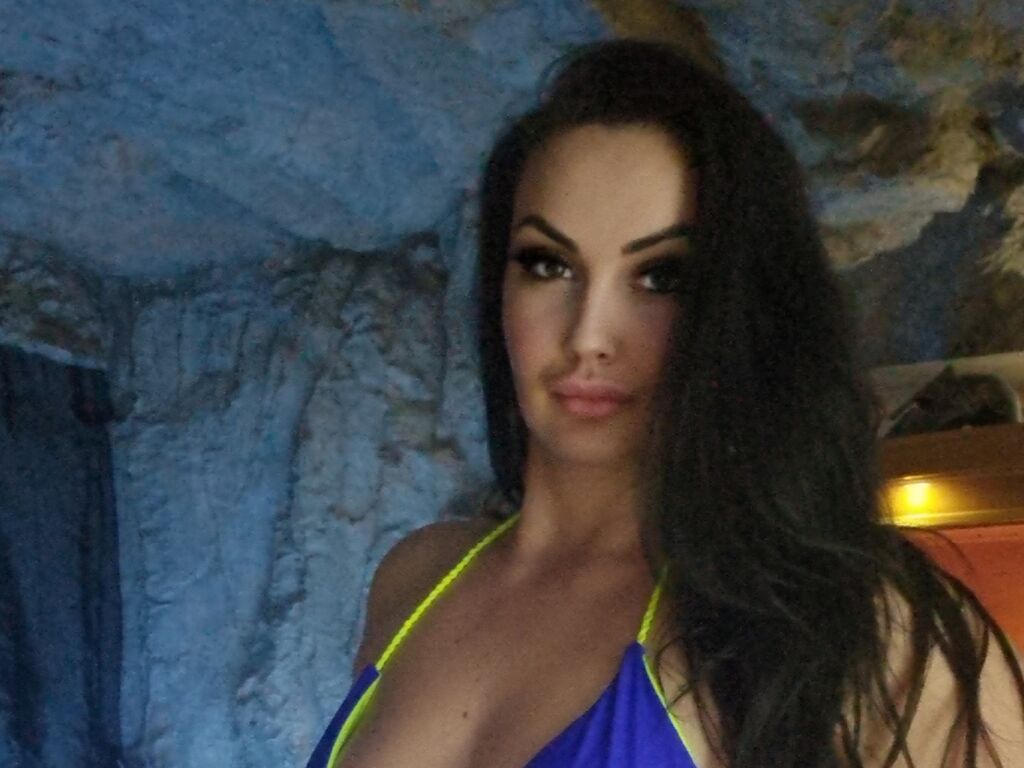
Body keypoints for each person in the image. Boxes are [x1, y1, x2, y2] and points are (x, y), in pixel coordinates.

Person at [306, 39, 1024, 768]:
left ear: (744, 307)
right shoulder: (416, 578)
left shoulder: (865, 629)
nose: (588, 336)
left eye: (661, 278)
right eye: (548, 265)